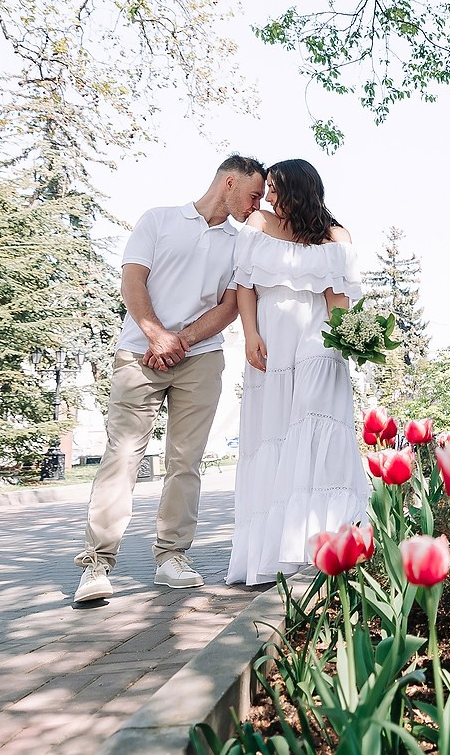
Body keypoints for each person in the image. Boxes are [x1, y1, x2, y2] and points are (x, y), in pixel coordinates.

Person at [73, 155, 265, 604]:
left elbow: (231, 304)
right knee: (121, 457)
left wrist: (179, 340)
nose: (257, 205)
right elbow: (133, 280)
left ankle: (171, 558)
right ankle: (96, 565)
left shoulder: (242, 242)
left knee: (186, 462)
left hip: (200, 360)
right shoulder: (158, 220)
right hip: (139, 353)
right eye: (254, 194)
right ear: (230, 182)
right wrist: (156, 335)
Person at [227, 158, 372, 586]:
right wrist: (250, 333)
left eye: (274, 189)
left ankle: (323, 543)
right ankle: (273, 552)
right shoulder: (258, 223)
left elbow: (338, 302)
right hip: (270, 346)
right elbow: (244, 286)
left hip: (317, 344)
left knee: (317, 432)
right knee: (273, 437)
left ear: (299, 192)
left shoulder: (335, 236)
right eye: (266, 189)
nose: (267, 197)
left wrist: (354, 341)